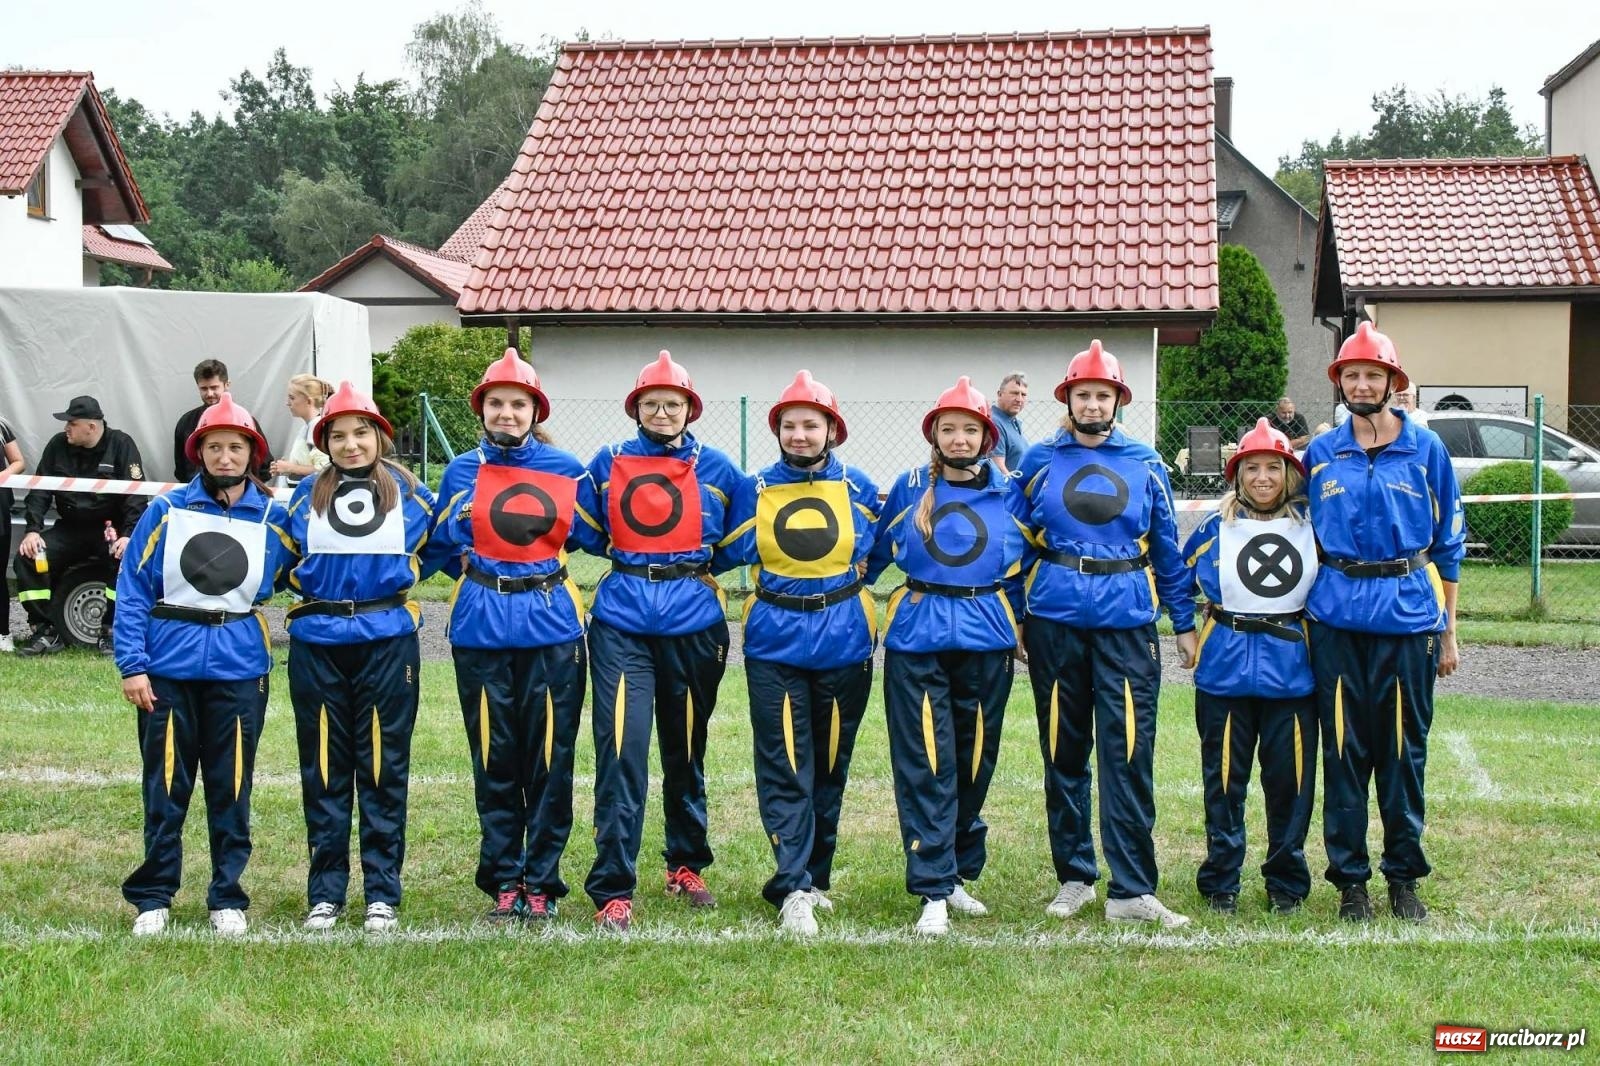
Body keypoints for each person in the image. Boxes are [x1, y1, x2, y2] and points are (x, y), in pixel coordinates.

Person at [1014, 340, 1198, 929]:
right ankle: (1074, 876)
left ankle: (1132, 888)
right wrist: (1018, 614)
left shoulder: (1145, 461)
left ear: (1119, 399)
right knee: (1064, 751)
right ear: (1068, 399)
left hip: (1126, 624)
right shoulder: (1039, 460)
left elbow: (1167, 549)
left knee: (1128, 755)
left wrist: (1185, 622)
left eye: (1103, 394)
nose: (1093, 404)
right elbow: (1013, 544)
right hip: (1055, 623)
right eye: (1082, 394)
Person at [571, 350, 743, 932]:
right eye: (652, 403)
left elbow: (738, 539)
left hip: (694, 622)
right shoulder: (608, 460)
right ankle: (614, 888)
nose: (663, 412)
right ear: (636, 408)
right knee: (621, 749)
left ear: (690, 409)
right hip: (622, 620)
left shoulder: (718, 467)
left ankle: (685, 861)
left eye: (673, 404)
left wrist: (686, 569)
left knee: (685, 746)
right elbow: (589, 530)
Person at [419, 350, 590, 924]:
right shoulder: (461, 471)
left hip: (551, 625)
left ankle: (542, 880)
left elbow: (596, 532)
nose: (507, 413)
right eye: (497, 403)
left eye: (519, 404)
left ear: (534, 410)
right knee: (494, 757)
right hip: (482, 626)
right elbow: (437, 548)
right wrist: (465, 541)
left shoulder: (567, 467)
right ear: (482, 411)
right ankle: (504, 880)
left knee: (548, 757)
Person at [113, 395, 292, 936]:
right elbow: (133, 589)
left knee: (231, 785)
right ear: (199, 453)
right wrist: (132, 664)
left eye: (236, 447)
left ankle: (226, 896)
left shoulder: (273, 516)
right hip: (169, 666)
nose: (225, 456)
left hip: (240, 668)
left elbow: (307, 568)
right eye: (214, 447)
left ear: (252, 453)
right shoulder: (165, 511)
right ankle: (154, 896)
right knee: (166, 785)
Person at [712, 371, 880, 936]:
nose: (800, 434)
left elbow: (879, 552)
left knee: (831, 764)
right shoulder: (754, 486)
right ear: (777, 431)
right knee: (785, 762)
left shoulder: (858, 485)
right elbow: (723, 548)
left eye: (811, 424)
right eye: (790, 425)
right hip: (775, 643)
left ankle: (814, 876)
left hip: (845, 640)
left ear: (832, 428)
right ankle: (792, 885)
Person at [1305, 321, 1463, 923]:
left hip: (1408, 617)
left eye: (1374, 374)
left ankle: (1403, 878)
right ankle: (1350, 882)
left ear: (1393, 382)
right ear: (1340, 381)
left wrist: (1447, 631)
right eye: (1353, 374)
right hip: (1337, 621)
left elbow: (1449, 544)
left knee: (1402, 755)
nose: (1363, 384)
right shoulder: (1320, 453)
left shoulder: (1427, 451)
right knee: (1344, 753)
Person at [867, 376, 1028, 936]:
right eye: (949, 429)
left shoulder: (1011, 488)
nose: (959, 439)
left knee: (975, 757)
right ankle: (932, 886)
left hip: (987, 636)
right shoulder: (911, 485)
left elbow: (1030, 556)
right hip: (918, 637)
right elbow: (871, 555)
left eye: (970, 430)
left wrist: (1024, 619)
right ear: (934, 434)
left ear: (988, 436)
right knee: (926, 762)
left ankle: (957, 871)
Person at [284, 382, 435, 933]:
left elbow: (439, 548)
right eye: (339, 436)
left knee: (382, 767)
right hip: (319, 645)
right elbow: (279, 557)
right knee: (324, 768)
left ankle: (381, 893)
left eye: (361, 433)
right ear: (324, 442)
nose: (351, 445)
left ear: (379, 437)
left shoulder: (412, 496)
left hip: (387, 643)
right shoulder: (304, 498)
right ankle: (325, 893)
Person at [1181, 418, 1318, 916]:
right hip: (1224, 674)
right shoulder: (1214, 529)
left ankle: (1286, 882)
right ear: (1237, 475)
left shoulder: (1312, 527)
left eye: (1273, 468)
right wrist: (1184, 627)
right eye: (1252, 468)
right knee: (1223, 783)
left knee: (1291, 786)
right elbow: (1175, 575)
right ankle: (1221, 879)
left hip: (1294, 677)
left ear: (1290, 473)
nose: (1263, 478)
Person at [13, 395, 146, 657]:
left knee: (124, 561)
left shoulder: (121, 444)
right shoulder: (57, 445)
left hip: (109, 529)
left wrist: (128, 536)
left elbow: (136, 496)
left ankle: (111, 631)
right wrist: (32, 531)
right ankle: (45, 630)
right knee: (28, 558)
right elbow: (40, 491)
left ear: (92, 427)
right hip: (70, 528)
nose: (66, 428)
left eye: (71, 423)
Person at [270, 374, 333, 484]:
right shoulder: (308, 426)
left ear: (308, 401)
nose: (287, 403)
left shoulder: (316, 427)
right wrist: (284, 467)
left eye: (292, 398)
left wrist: (290, 468)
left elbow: (326, 469)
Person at [0, 414, 24, 654]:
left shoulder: (2, 423)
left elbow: (18, 461)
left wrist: (1, 477)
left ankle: (3, 633)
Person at [989, 372, 1030, 474]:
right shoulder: (995, 423)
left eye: (1023, 395)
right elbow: (998, 469)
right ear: (999, 394)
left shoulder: (1013, 423)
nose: (1019, 399)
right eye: (1014, 393)